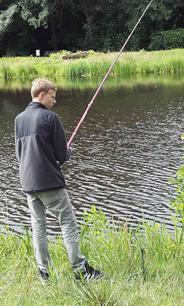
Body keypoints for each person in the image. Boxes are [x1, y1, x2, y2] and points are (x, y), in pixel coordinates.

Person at [14, 78, 103, 282]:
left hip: (27, 183)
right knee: (68, 222)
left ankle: (44, 272)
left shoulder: (19, 119)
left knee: (38, 227)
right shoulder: (50, 118)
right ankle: (80, 269)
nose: (54, 101)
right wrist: (68, 152)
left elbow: (20, 154)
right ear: (42, 94)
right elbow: (62, 155)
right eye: (52, 97)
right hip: (49, 183)